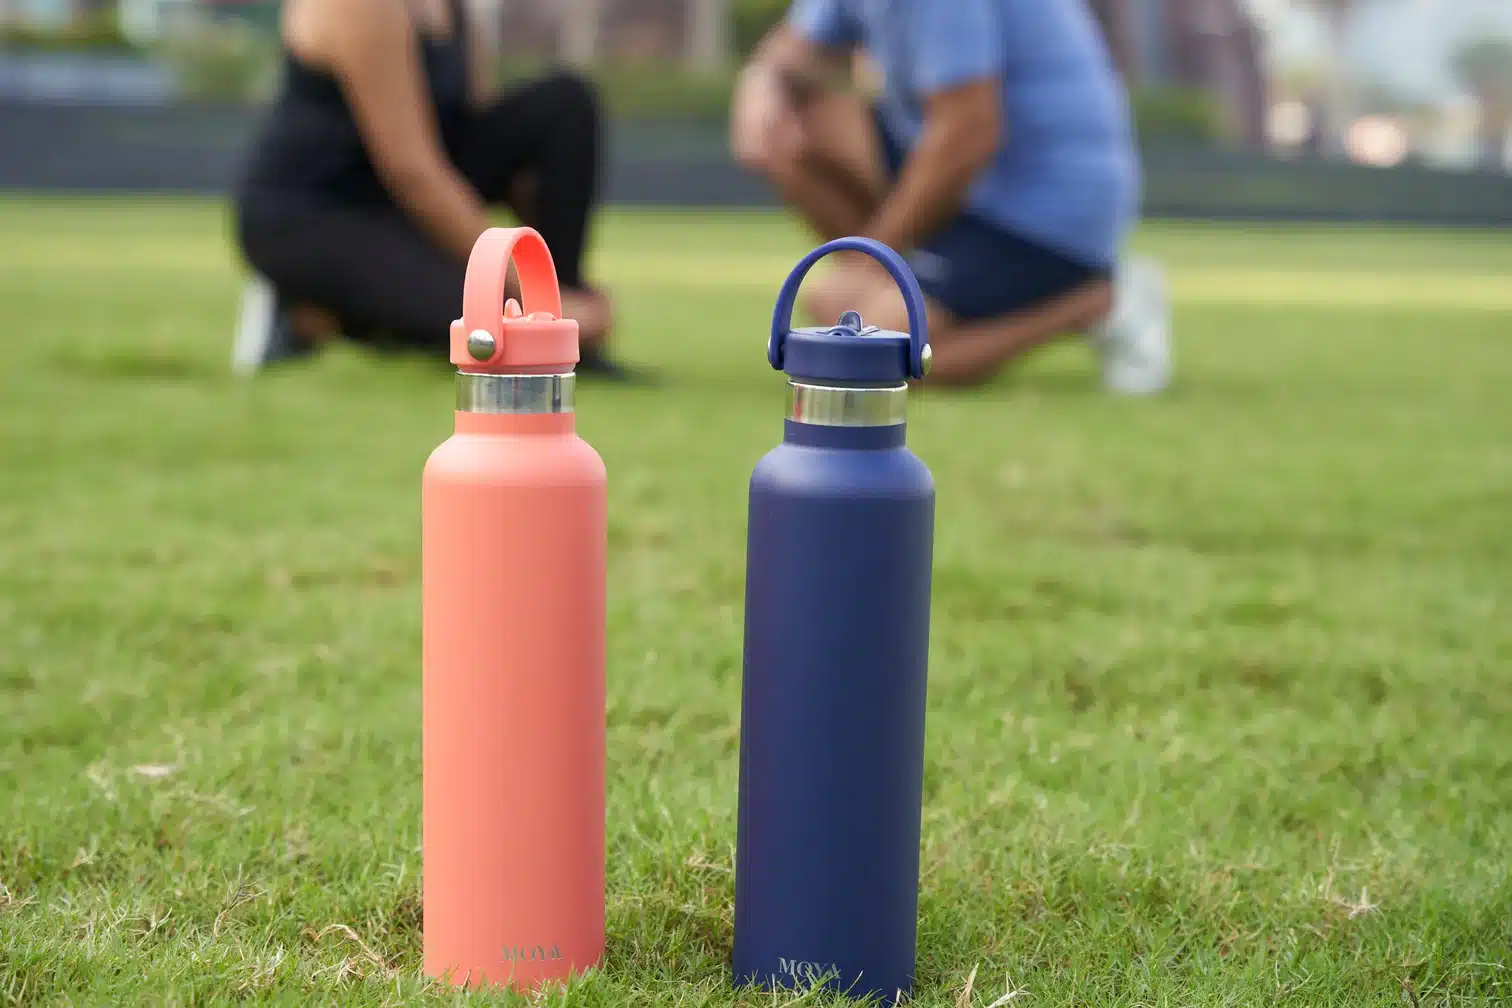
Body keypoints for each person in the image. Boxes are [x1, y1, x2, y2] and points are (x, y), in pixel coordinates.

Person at [731, 0, 1172, 391]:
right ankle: (901, 287)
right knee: (795, 118)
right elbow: (791, 57)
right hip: (969, 184)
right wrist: (760, 83)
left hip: (1046, 207)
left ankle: (1098, 299)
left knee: (881, 357)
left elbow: (968, 134)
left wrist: (871, 261)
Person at [229, 0, 635, 378]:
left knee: (565, 105)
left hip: (403, 205)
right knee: (484, 332)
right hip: (319, 216)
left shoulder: (456, 9)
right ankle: (306, 309)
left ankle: (563, 342)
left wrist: (548, 276)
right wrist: (537, 298)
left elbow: (482, 142)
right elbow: (413, 174)